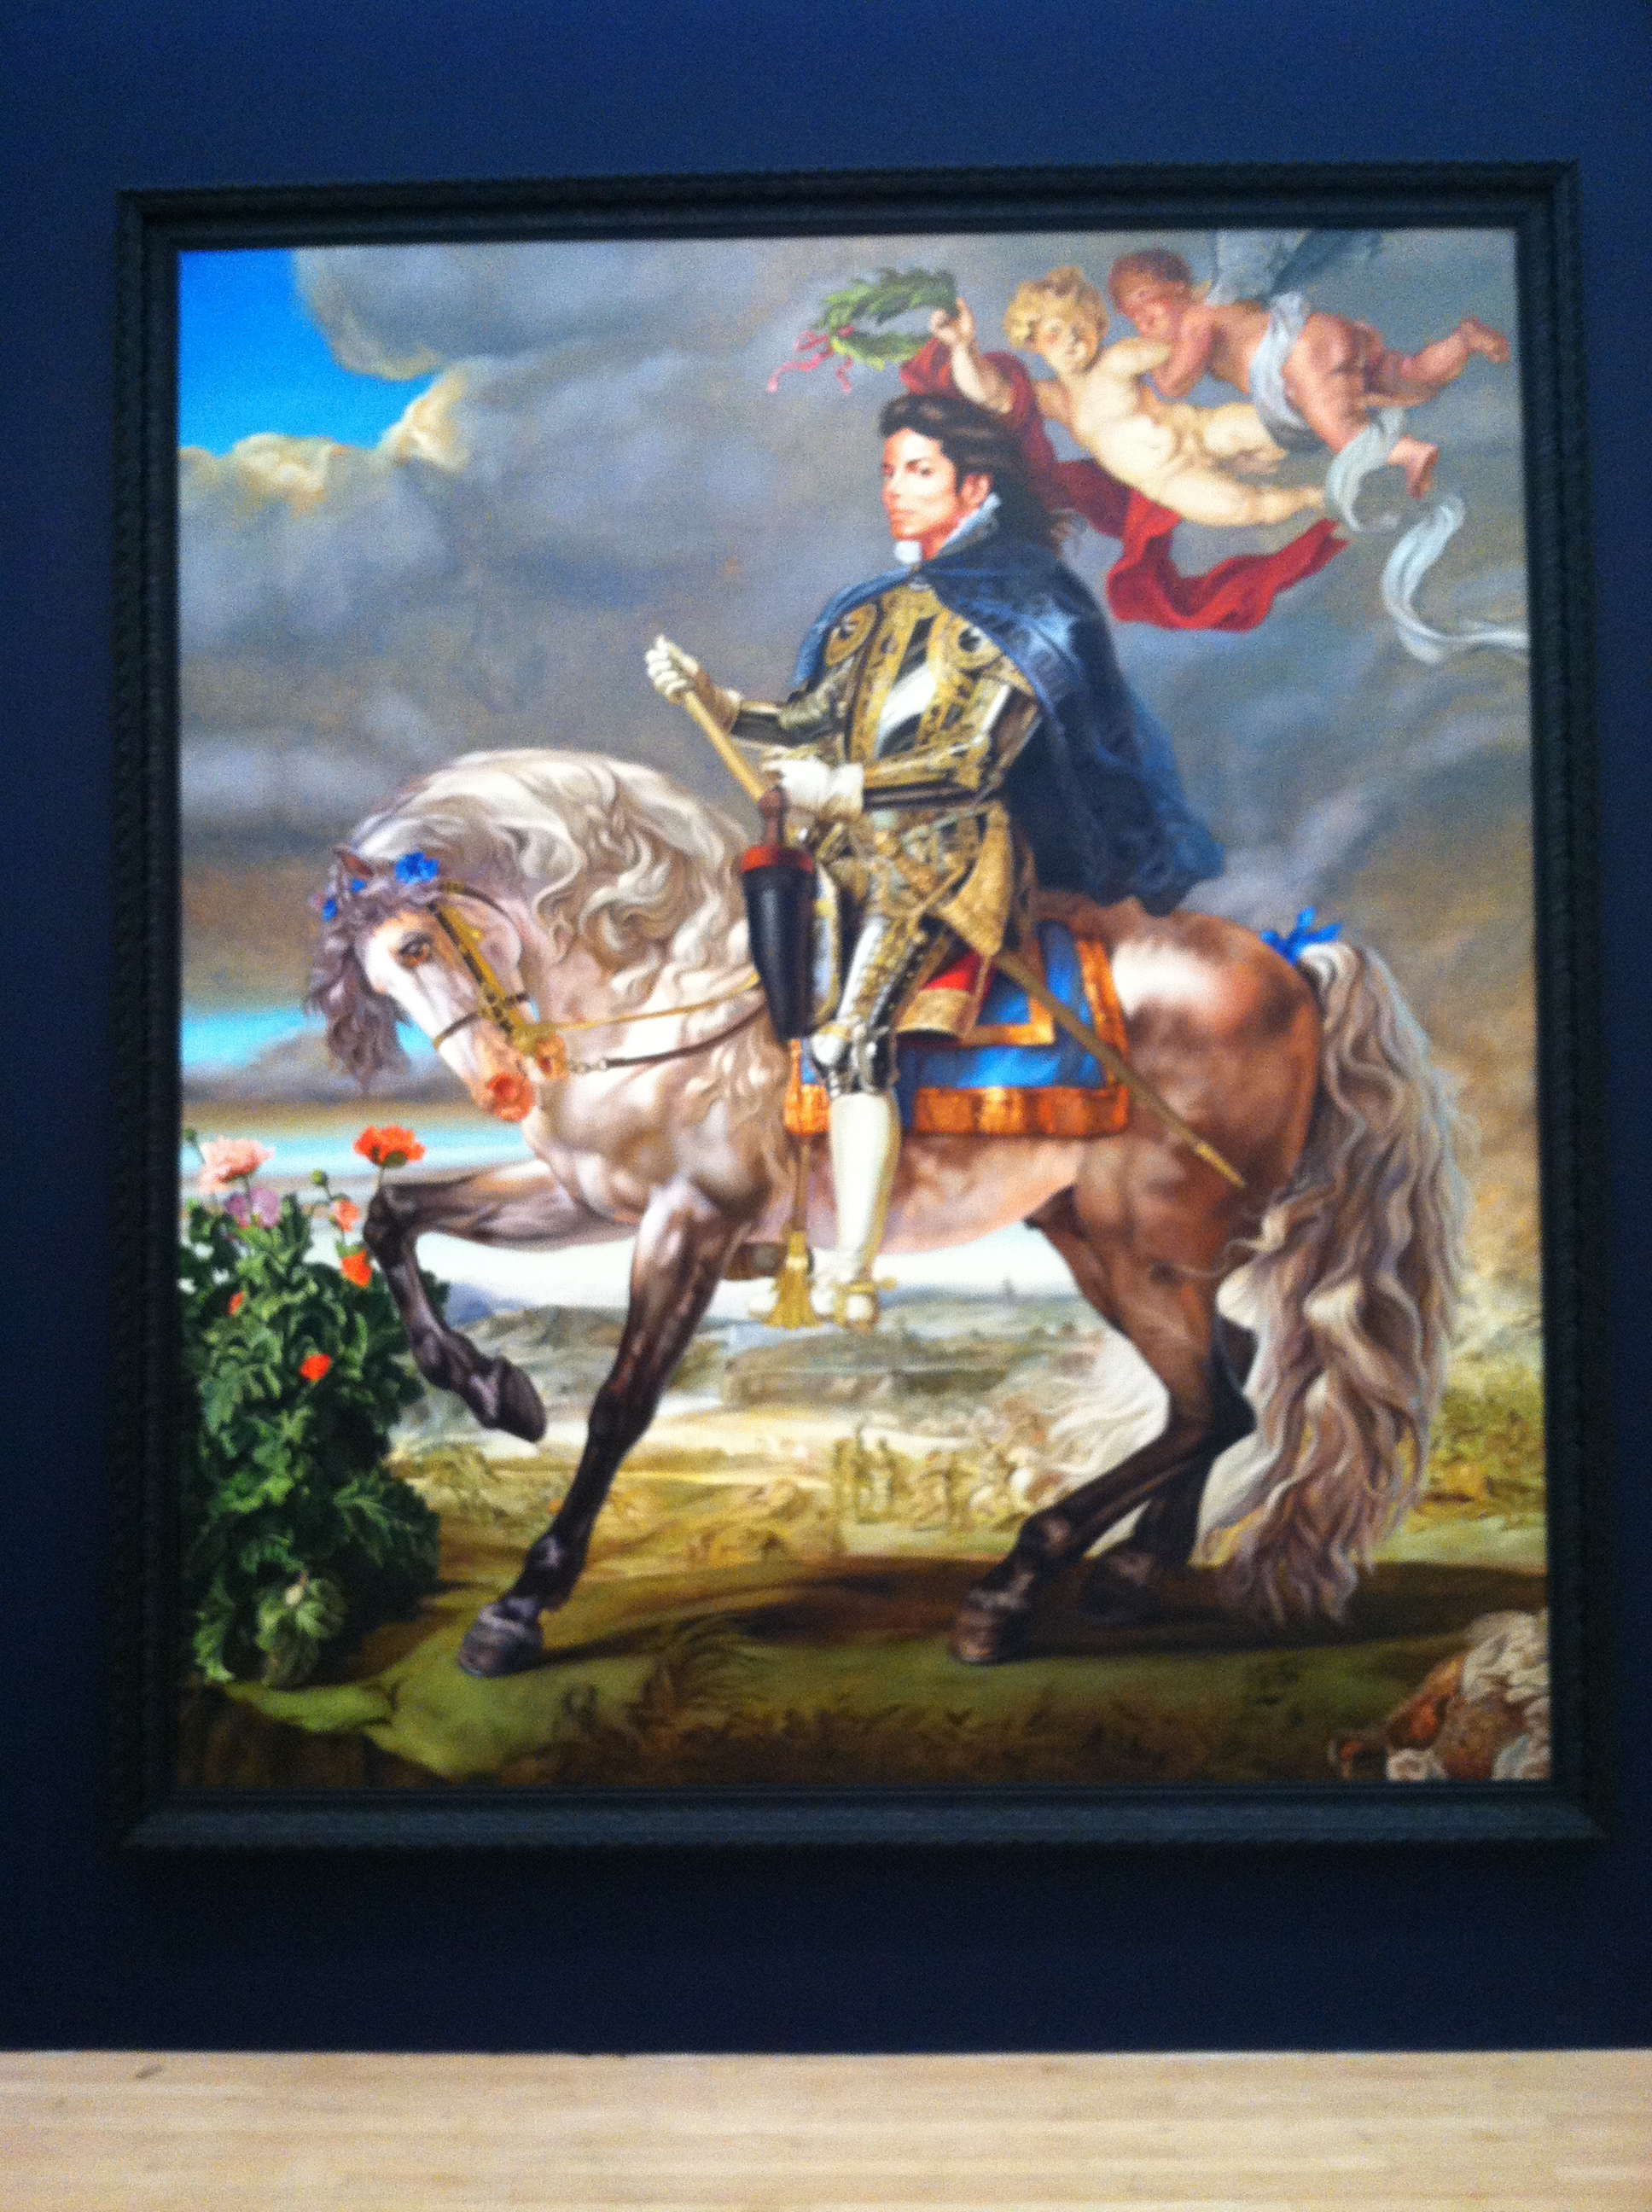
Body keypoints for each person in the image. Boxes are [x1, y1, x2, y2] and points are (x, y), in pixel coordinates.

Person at [647, 390, 1220, 1326]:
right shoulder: (875, 608)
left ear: (974, 486)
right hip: (846, 854)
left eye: (917, 471)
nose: (894, 489)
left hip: (946, 859)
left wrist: (845, 788)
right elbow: (810, 720)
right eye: (888, 471)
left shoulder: (1029, 610)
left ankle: (852, 1269)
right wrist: (714, 700)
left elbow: (973, 764)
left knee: (849, 1042)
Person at [1105, 247, 1510, 500]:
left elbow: (1174, 384)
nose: (1143, 318)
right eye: (1133, 317)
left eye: (1145, 298)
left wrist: (1152, 358)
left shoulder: (1198, 317)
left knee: (1341, 431)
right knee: (1408, 376)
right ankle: (1464, 341)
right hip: (1325, 339)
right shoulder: (1222, 305)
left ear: (1178, 286)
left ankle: (1410, 452)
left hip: (1302, 353)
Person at [931, 272, 1323, 530]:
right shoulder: (1057, 399)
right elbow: (990, 392)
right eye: (1054, 332)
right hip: (1168, 480)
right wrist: (963, 347)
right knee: (1239, 508)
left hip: (1199, 430)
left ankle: (1333, 412)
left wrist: (1198, 316)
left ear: (1098, 325)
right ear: (1033, 344)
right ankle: (1313, 498)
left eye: (1079, 326)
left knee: (1263, 424)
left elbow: (1183, 348)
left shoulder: (1121, 357)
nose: (1071, 339)